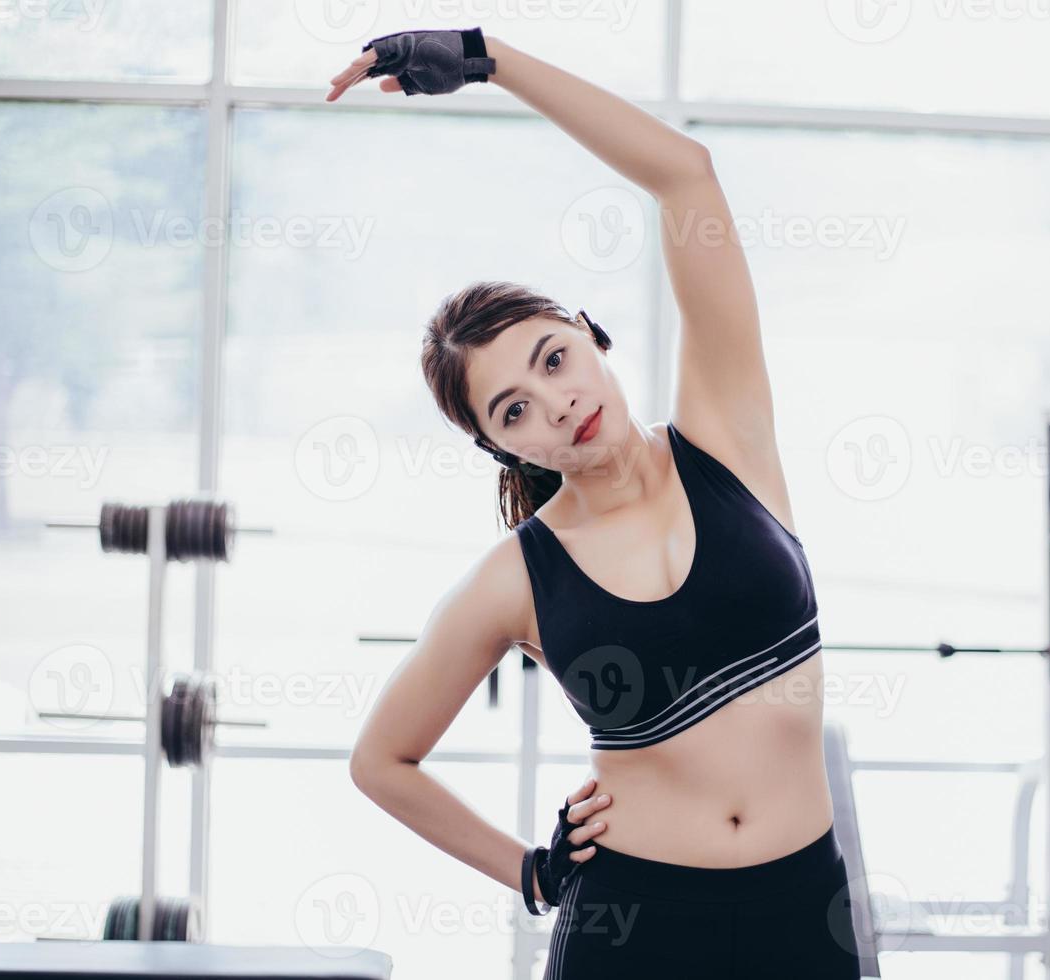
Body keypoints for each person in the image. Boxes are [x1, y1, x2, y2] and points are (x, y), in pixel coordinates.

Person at [333, 27, 860, 979]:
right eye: (514, 409)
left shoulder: (726, 439)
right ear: (500, 446)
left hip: (800, 909)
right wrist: (531, 875)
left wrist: (489, 58)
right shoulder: (516, 578)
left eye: (552, 357)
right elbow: (382, 762)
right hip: (635, 925)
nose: (558, 402)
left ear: (587, 332)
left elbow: (687, 178)